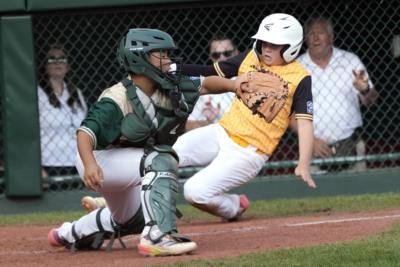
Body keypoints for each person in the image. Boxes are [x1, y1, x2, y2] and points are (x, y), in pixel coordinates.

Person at [47, 28, 243, 256]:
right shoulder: (117, 97)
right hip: (99, 161)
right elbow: (85, 133)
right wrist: (90, 164)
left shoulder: (169, 84)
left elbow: (206, 84)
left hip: (127, 163)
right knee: (160, 158)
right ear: (139, 58)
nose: (168, 60)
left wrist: (235, 85)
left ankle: (68, 233)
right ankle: (157, 237)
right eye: (161, 54)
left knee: (133, 219)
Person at [172, 13, 316, 222]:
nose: (267, 48)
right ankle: (134, 209)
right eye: (264, 43)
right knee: (167, 154)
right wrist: (174, 68)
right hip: (221, 132)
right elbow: (212, 71)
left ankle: (233, 206)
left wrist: (303, 163)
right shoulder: (251, 57)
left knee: (194, 192)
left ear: (291, 47)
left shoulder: (300, 77)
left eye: (274, 45)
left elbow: (304, 123)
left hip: (249, 152)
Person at [292, 16, 378, 173]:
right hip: (312, 149)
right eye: (311, 34)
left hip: (350, 145)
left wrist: (364, 90)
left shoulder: (350, 61)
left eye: (321, 33)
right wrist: (311, 141)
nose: (316, 38)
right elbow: (287, 114)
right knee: (313, 197)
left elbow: (371, 100)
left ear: (331, 37)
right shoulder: (296, 67)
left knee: (360, 195)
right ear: (305, 39)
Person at [38, 44, 87, 177]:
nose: (57, 62)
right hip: (49, 164)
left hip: (77, 163)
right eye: (52, 59)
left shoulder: (76, 93)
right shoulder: (37, 94)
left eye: (62, 59)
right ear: (45, 66)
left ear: (68, 65)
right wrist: (37, 167)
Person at [185, 33, 239, 131]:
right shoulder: (204, 85)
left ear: (237, 53)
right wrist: (209, 122)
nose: (222, 58)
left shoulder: (247, 79)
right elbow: (185, 126)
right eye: (216, 55)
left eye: (227, 53)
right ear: (211, 57)